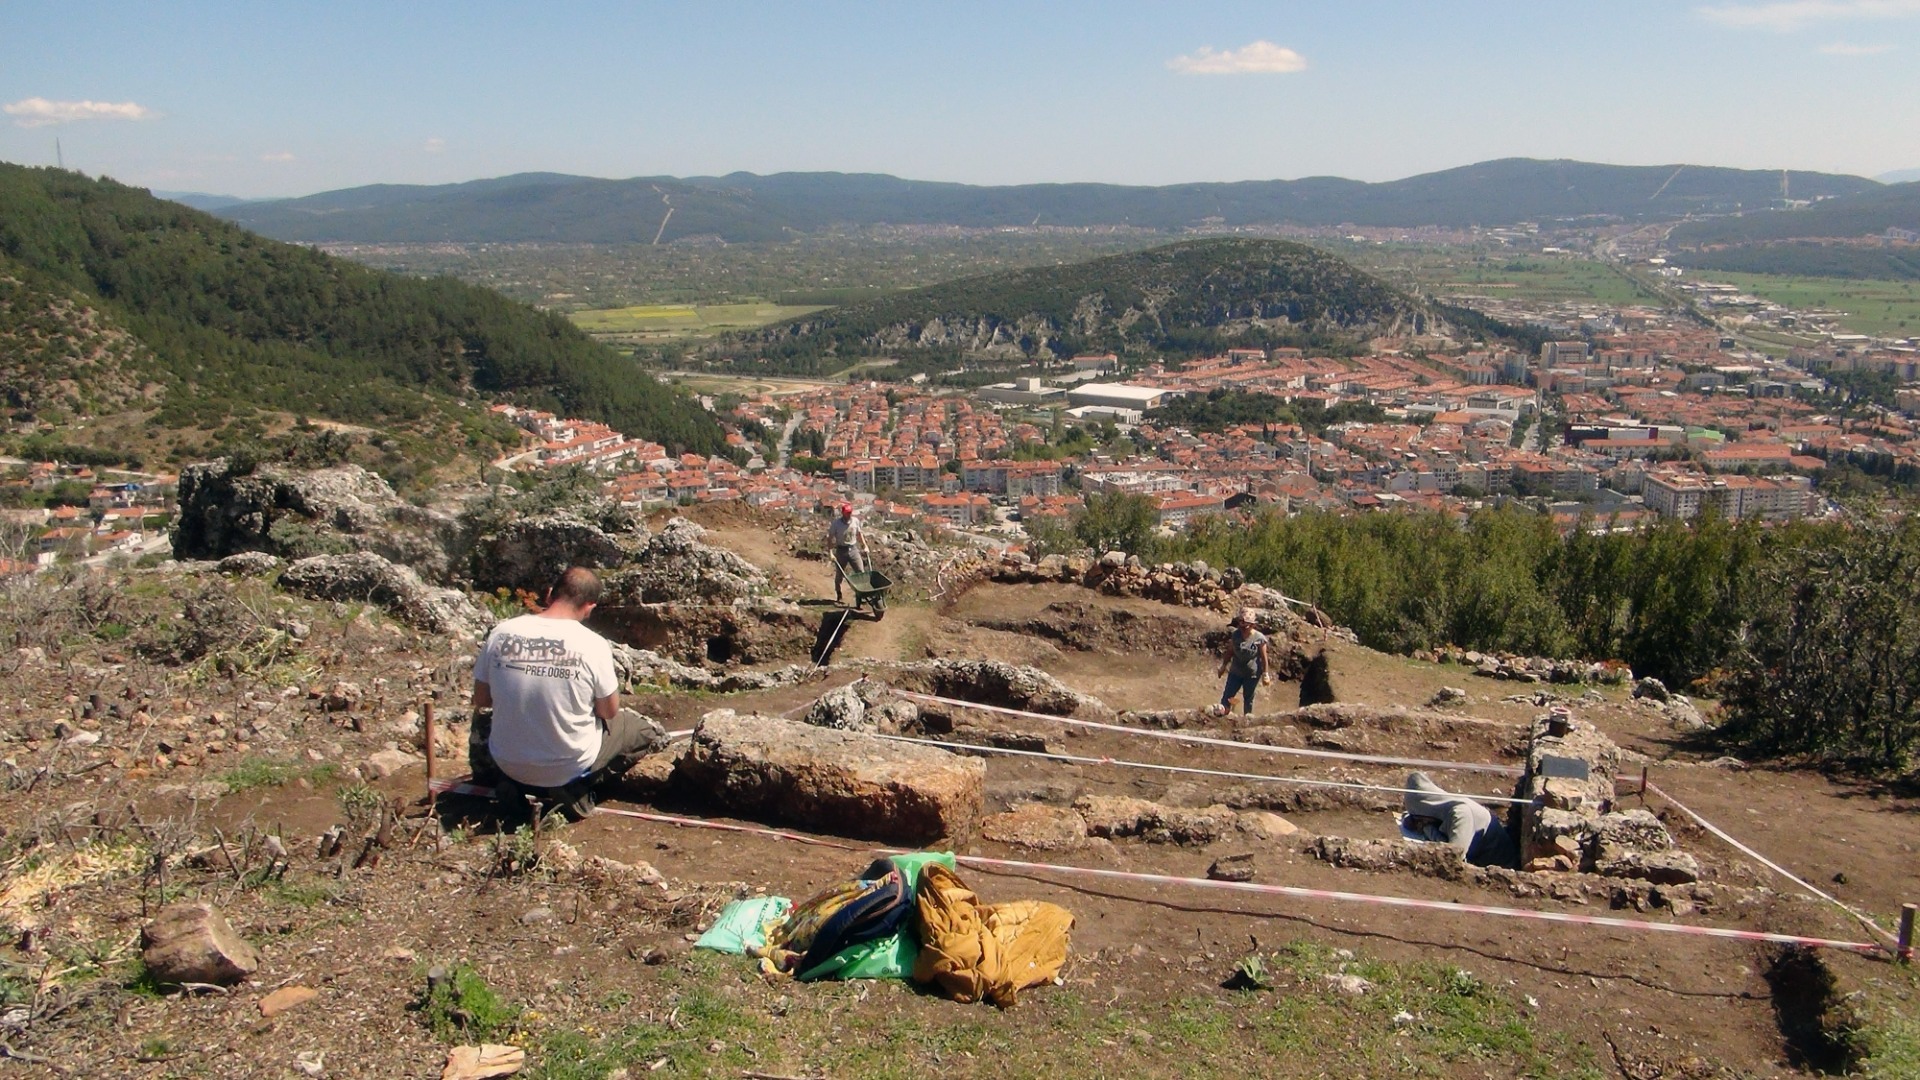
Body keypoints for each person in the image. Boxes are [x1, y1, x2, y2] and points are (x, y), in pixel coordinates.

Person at [470, 566, 665, 819]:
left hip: (507, 762)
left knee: (488, 719)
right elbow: (608, 710)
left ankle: (514, 785)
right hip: (567, 765)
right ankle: (575, 792)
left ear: (549, 594)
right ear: (589, 606)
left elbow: (482, 700)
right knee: (641, 730)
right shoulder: (593, 644)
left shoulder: (502, 632)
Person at [1401, 771, 1518, 868]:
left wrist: (1427, 829)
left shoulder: (1460, 814)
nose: (1420, 822)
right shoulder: (1441, 806)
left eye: (1420, 818)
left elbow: (1453, 857)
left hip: (1499, 868)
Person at [1214, 608, 1271, 716]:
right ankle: (1222, 717)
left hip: (1251, 675)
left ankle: (1246, 719)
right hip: (1235, 672)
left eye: (1246, 626)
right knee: (1227, 696)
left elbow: (1264, 657)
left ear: (1253, 625)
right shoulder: (1236, 635)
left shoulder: (1259, 638)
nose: (1243, 628)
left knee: (1248, 698)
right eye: (1241, 625)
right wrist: (1223, 666)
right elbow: (1230, 651)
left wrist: (1265, 674)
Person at [828, 502, 867, 604]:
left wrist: (865, 545)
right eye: (847, 513)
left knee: (861, 572)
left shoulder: (855, 521)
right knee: (839, 574)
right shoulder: (836, 524)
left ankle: (860, 596)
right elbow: (830, 538)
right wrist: (830, 552)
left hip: (853, 549)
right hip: (841, 550)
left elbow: (859, 534)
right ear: (843, 513)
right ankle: (839, 594)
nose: (849, 515)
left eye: (850, 513)